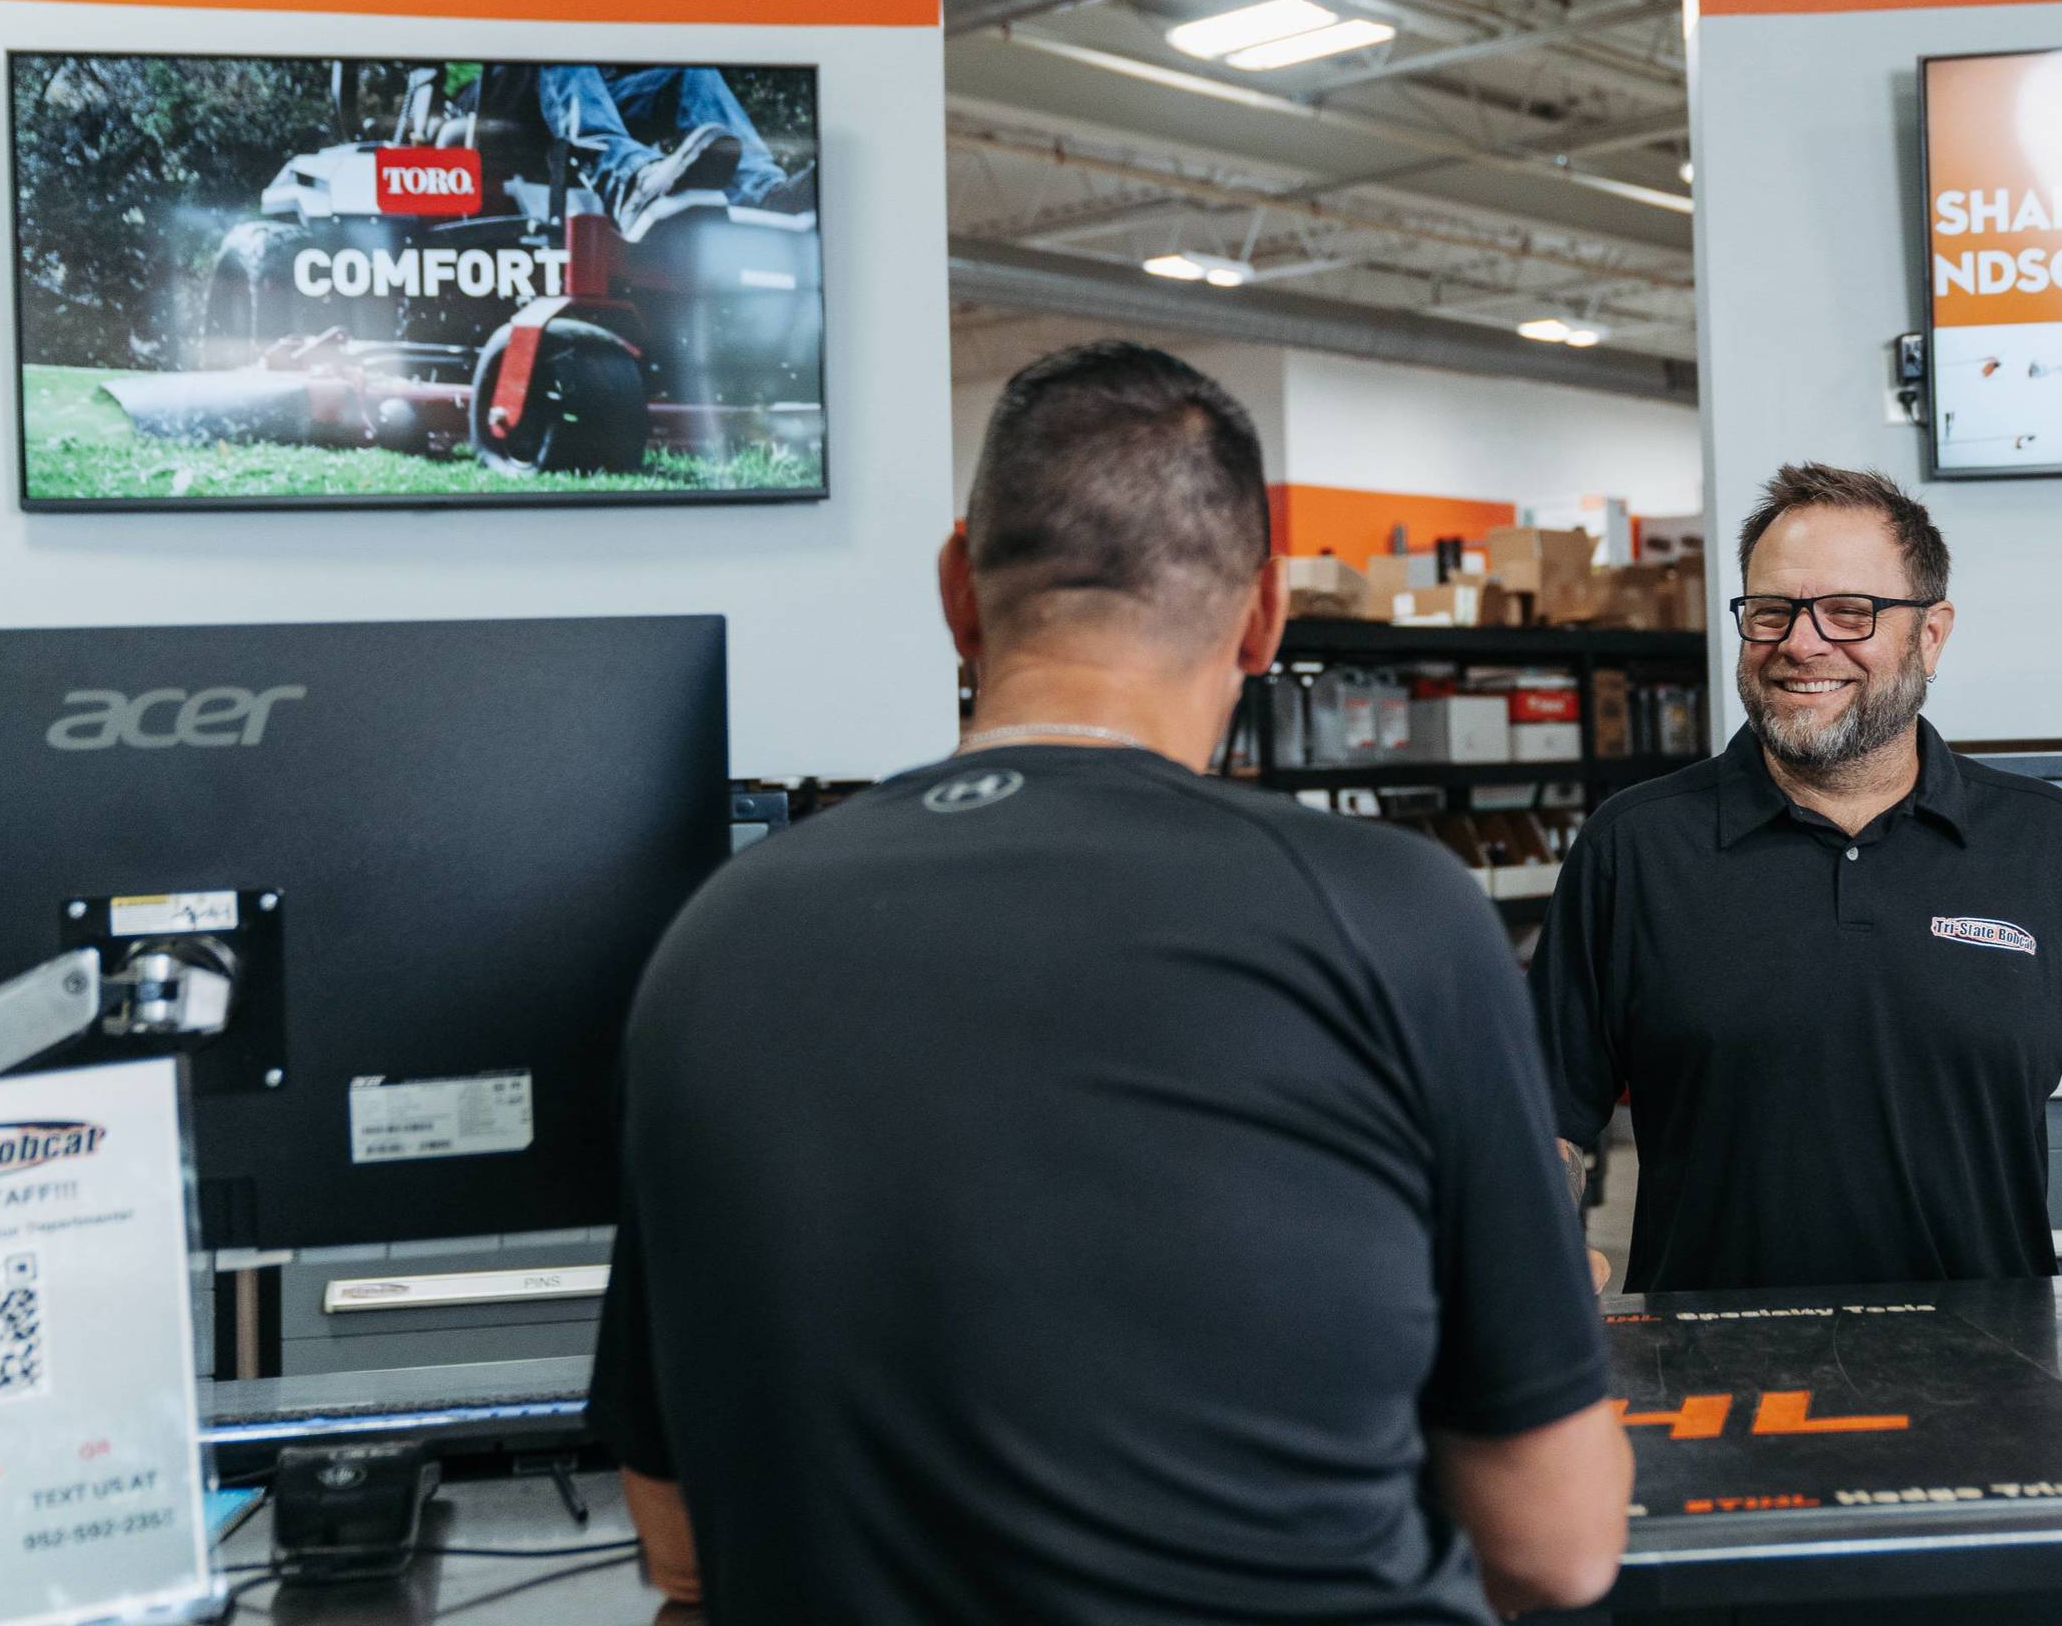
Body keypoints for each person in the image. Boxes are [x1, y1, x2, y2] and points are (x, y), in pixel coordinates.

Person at [588, 341, 1630, 1622]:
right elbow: (1560, 1540)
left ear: (957, 593)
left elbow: (678, 1540)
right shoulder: (1398, 917)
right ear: (1264, 615)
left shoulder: (720, 936)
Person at [1530, 463, 2062, 1302]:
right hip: (1715, 1378)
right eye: (1771, 612)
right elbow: (1541, 1111)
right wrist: (1530, 1231)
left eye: (1851, 612)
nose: (1802, 644)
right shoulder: (1636, 846)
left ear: (1932, 634)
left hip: (1996, 1371)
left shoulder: (2045, 842)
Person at [522, 63, 803, 234]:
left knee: (691, 75)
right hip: (519, 87)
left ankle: (762, 193)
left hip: (595, 88)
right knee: (564, 52)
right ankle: (631, 185)